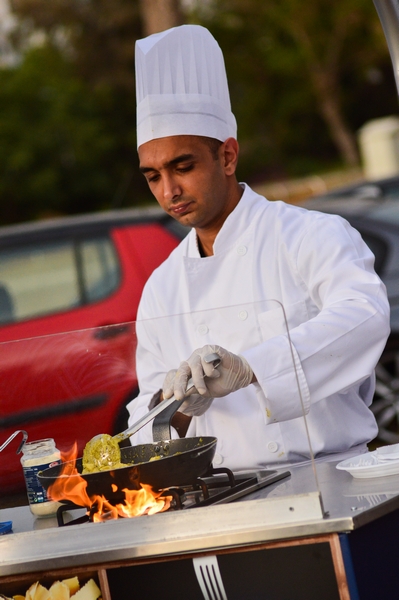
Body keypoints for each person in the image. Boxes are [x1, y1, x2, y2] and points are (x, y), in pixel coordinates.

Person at [127, 24, 390, 470]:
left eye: (182, 166)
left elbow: (365, 315)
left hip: (333, 477)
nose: (169, 190)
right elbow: (144, 419)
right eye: (153, 176)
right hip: (229, 496)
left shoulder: (309, 234)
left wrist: (253, 367)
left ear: (228, 156)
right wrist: (175, 408)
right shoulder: (162, 287)